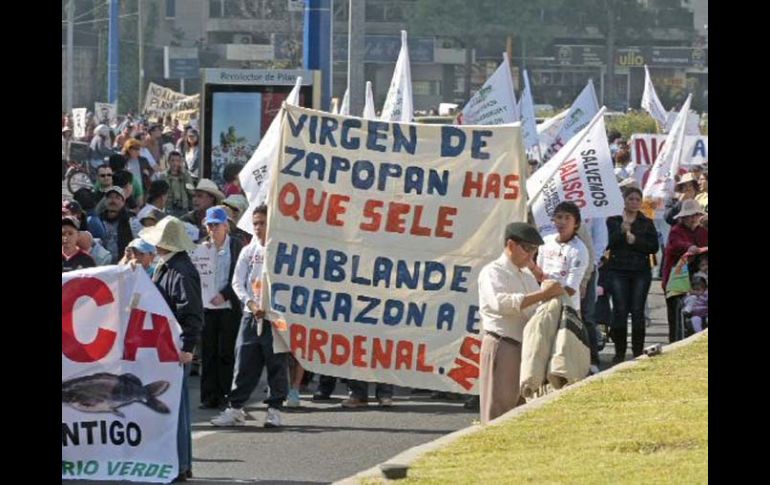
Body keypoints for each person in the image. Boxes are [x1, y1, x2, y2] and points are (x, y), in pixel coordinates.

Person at [477, 222, 564, 424]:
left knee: (522, 410)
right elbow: (501, 303)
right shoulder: (493, 271)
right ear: (510, 245)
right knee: (498, 411)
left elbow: (535, 308)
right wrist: (542, 294)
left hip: (527, 346)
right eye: (527, 248)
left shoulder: (526, 275)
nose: (531, 255)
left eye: (534, 250)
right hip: (503, 343)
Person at [211, 205, 288, 428]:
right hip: (250, 315)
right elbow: (237, 282)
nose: (258, 228)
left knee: (276, 362)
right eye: (255, 223)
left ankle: (274, 409)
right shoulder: (248, 251)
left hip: (275, 317)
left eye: (263, 223)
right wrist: (251, 303)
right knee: (244, 359)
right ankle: (236, 408)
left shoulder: (281, 251)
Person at [139, 216, 202, 482]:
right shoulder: (169, 266)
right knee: (179, 408)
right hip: (169, 344)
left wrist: (188, 346)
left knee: (175, 409)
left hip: (175, 346)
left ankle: (178, 464)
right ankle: (182, 464)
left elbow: (191, 312)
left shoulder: (179, 271)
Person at [604, 187, 660, 362]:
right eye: (631, 199)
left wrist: (636, 241)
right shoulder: (613, 220)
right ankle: (619, 352)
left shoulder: (646, 222)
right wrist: (621, 232)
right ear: (624, 200)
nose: (634, 202)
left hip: (640, 271)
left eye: (637, 199)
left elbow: (653, 247)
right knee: (620, 310)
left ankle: (637, 352)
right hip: (617, 269)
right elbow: (607, 244)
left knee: (637, 310)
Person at [198, 207, 244, 410]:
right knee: (208, 352)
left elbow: (238, 274)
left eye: (216, 224)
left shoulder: (235, 245)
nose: (212, 228)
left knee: (226, 351)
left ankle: (226, 393)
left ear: (226, 226)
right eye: (209, 224)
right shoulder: (202, 248)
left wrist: (225, 294)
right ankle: (209, 395)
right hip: (207, 306)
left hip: (227, 306)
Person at [662, 199, 708, 343]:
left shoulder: (703, 232)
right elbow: (676, 245)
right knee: (676, 314)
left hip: (698, 279)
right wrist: (689, 247)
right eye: (690, 215)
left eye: (695, 215)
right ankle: (674, 343)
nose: (693, 218)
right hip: (676, 279)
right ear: (683, 217)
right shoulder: (676, 231)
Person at [531, 201, 589, 313]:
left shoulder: (579, 250)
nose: (562, 222)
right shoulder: (546, 241)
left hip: (567, 306)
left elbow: (571, 289)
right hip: (544, 304)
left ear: (576, 223)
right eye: (559, 217)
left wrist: (546, 296)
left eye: (567, 218)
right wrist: (529, 264)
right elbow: (540, 275)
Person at [87, 186, 134, 264]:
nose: (113, 200)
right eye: (110, 197)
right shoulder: (97, 220)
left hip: (123, 265)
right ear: (105, 201)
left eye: (117, 198)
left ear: (123, 202)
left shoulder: (130, 221)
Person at [160, 150, 195, 218]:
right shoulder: (163, 176)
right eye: (172, 160)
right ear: (168, 162)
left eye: (177, 161)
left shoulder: (185, 174)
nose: (175, 163)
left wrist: (185, 175)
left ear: (180, 162)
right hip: (169, 208)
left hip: (183, 208)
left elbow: (191, 191)